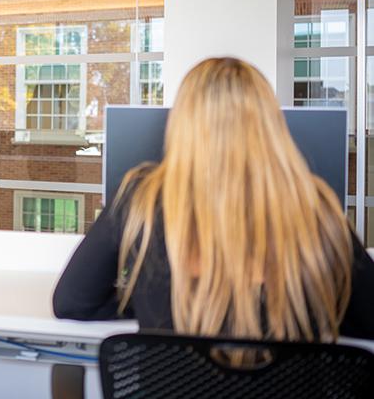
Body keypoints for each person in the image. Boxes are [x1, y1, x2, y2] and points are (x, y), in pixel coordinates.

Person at [53, 57, 374, 341]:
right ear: (269, 125)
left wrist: (152, 300)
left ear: (183, 124)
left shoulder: (143, 200)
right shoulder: (314, 207)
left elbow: (73, 303)